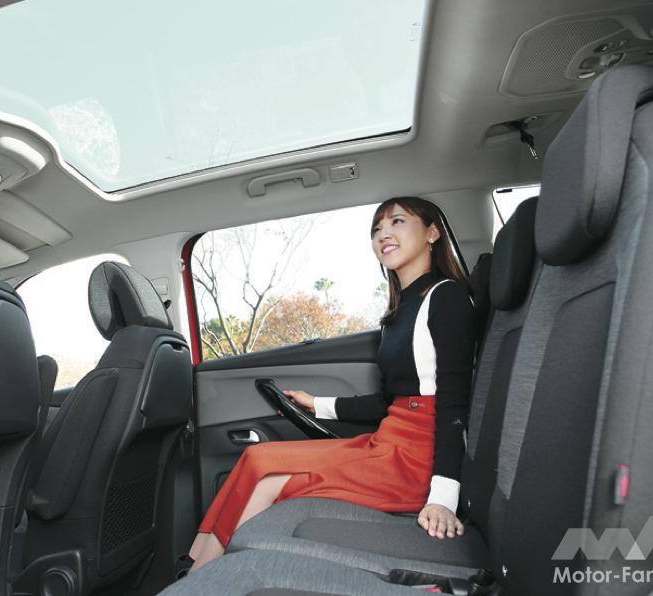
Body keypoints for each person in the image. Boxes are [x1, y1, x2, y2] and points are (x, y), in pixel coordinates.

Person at [185, 196, 477, 574]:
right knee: (258, 457)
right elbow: (388, 401)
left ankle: (208, 575)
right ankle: (194, 566)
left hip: (417, 459)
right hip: (388, 441)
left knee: (272, 479)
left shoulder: (447, 297)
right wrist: (317, 403)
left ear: (432, 233)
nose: (383, 234)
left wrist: (443, 498)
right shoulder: (399, 312)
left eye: (398, 222)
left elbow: (454, 403)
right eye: (377, 229)